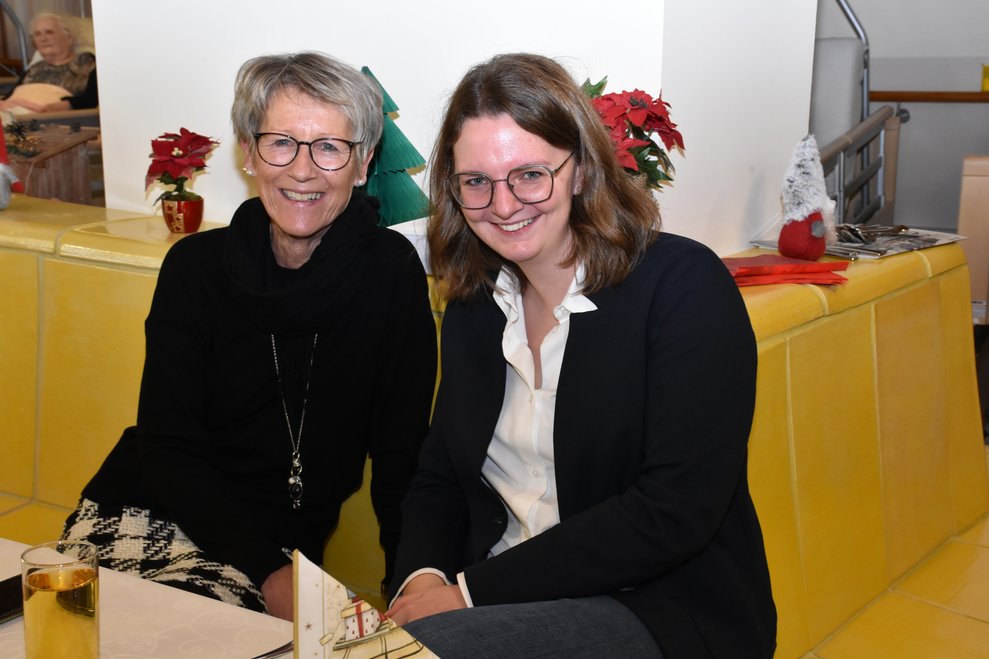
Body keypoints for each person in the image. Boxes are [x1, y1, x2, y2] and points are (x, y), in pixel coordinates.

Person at [385, 53, 776, 658]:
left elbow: (673, 512)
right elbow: (439, 471)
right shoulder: (474, 301)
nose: (504, 203)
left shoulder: (684, 286)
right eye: (476, 182)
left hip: (656, 604)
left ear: (582, 170)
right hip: (491, 596)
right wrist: (424, 577)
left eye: (530, 174)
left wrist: (465, 594)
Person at [61, 51, 437, 621]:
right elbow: (168, 447)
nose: (302, 170)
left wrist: (405, 582)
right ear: (249, 153)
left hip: (278, 545)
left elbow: (401, 455)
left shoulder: (391, 274)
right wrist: (270, 569)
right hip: (148, 511)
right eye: (280, 142)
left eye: (330, 147)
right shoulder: (196, 268)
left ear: (362, 165)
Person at [0, 13, 98, 114]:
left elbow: (94, 98)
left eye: (49, 32)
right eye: (37, 34)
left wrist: (69, 104)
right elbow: (8, 99)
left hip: (49, 121)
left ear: (69, 38)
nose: (43, 38)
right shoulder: (35, 68)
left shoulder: (86, 62)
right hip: (13, 117)